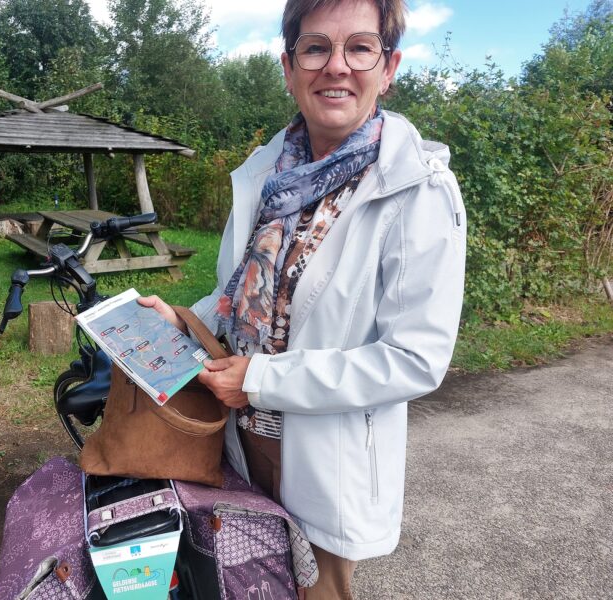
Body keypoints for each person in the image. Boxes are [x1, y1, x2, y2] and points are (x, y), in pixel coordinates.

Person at [140, 0, 466, 597]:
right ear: (290, 67)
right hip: (239, 439)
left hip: (325, 456)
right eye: (315, 47)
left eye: (359, 48)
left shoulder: (418, 190)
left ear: (388, 67)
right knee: (239, 585)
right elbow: (237, 296)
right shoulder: (267, 171)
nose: (336, 66)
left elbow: (417, 357)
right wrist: (185, 323)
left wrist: (265, 380)